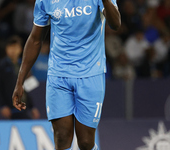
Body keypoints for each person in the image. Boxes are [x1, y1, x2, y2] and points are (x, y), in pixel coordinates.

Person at [12, 0, 121, 149]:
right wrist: (20, 81)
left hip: (91, 74)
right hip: (59, 75)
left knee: (86, 142)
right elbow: (35, 39)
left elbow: (115, 24)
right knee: (62, 138)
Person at [0, 36, 40, 120]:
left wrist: (32, 107)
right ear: (6, 49)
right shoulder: (1, 66)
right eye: (10, 47)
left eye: (15, 47)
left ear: (20, 49)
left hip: (24, 109)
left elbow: (27, 88)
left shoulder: (24, 65)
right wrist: (2, 106)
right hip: (10, 111)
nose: (13, 50)